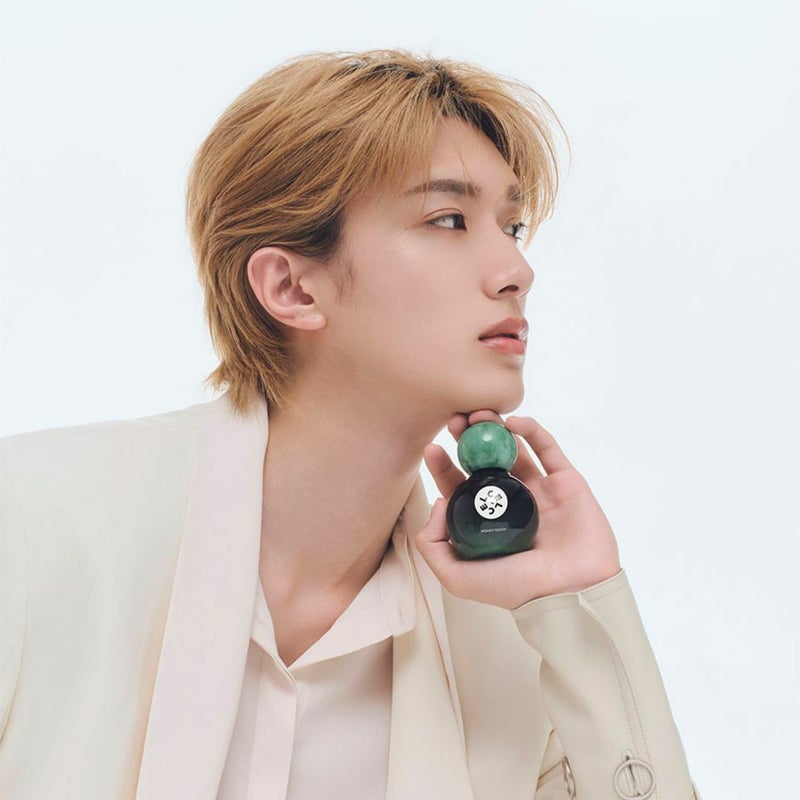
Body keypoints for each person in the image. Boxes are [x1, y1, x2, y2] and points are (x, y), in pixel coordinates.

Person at [0, 50, 701, 799]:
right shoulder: (31, 525)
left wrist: (581, 606)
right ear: (291, 287)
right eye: (449, 219)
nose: (516, 271)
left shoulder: (516, 643)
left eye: (513, 225)